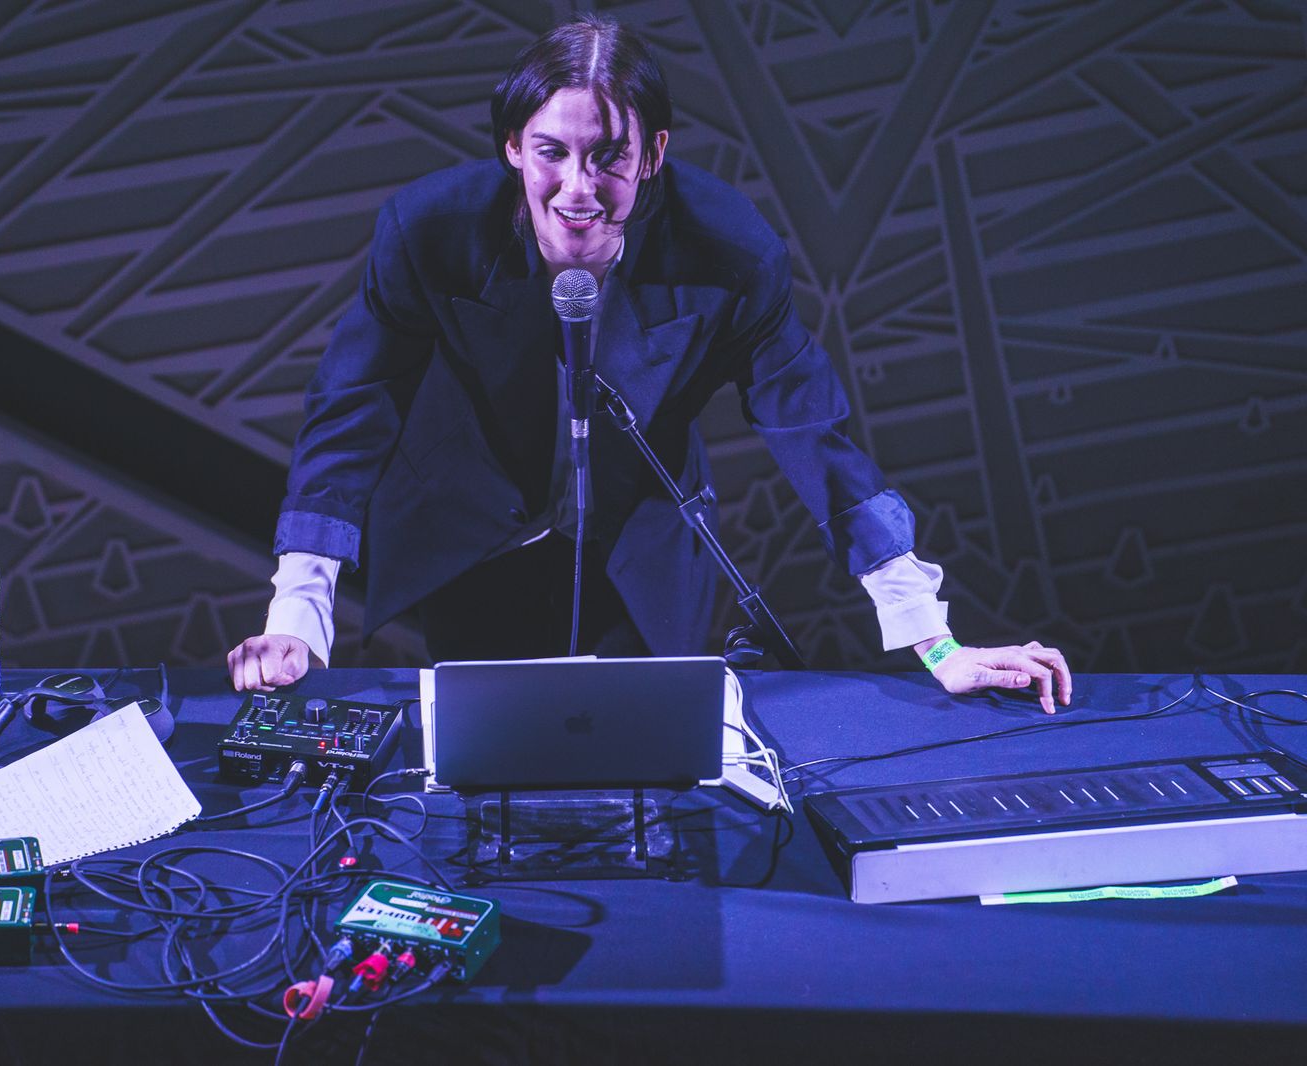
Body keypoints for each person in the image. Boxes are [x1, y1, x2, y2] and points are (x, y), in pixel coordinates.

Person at [228, 15, 1071, 712]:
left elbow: (816, 434)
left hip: (640, 545)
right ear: (513, 147)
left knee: (647, 770)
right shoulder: (429, 231)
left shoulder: (729, 250)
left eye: (609, 156)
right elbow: (353, 406)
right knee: (487, 764)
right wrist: (297, 617)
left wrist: (936, 641)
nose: (578, 188)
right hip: (473, 538)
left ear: (654, 153)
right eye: (552, 152)